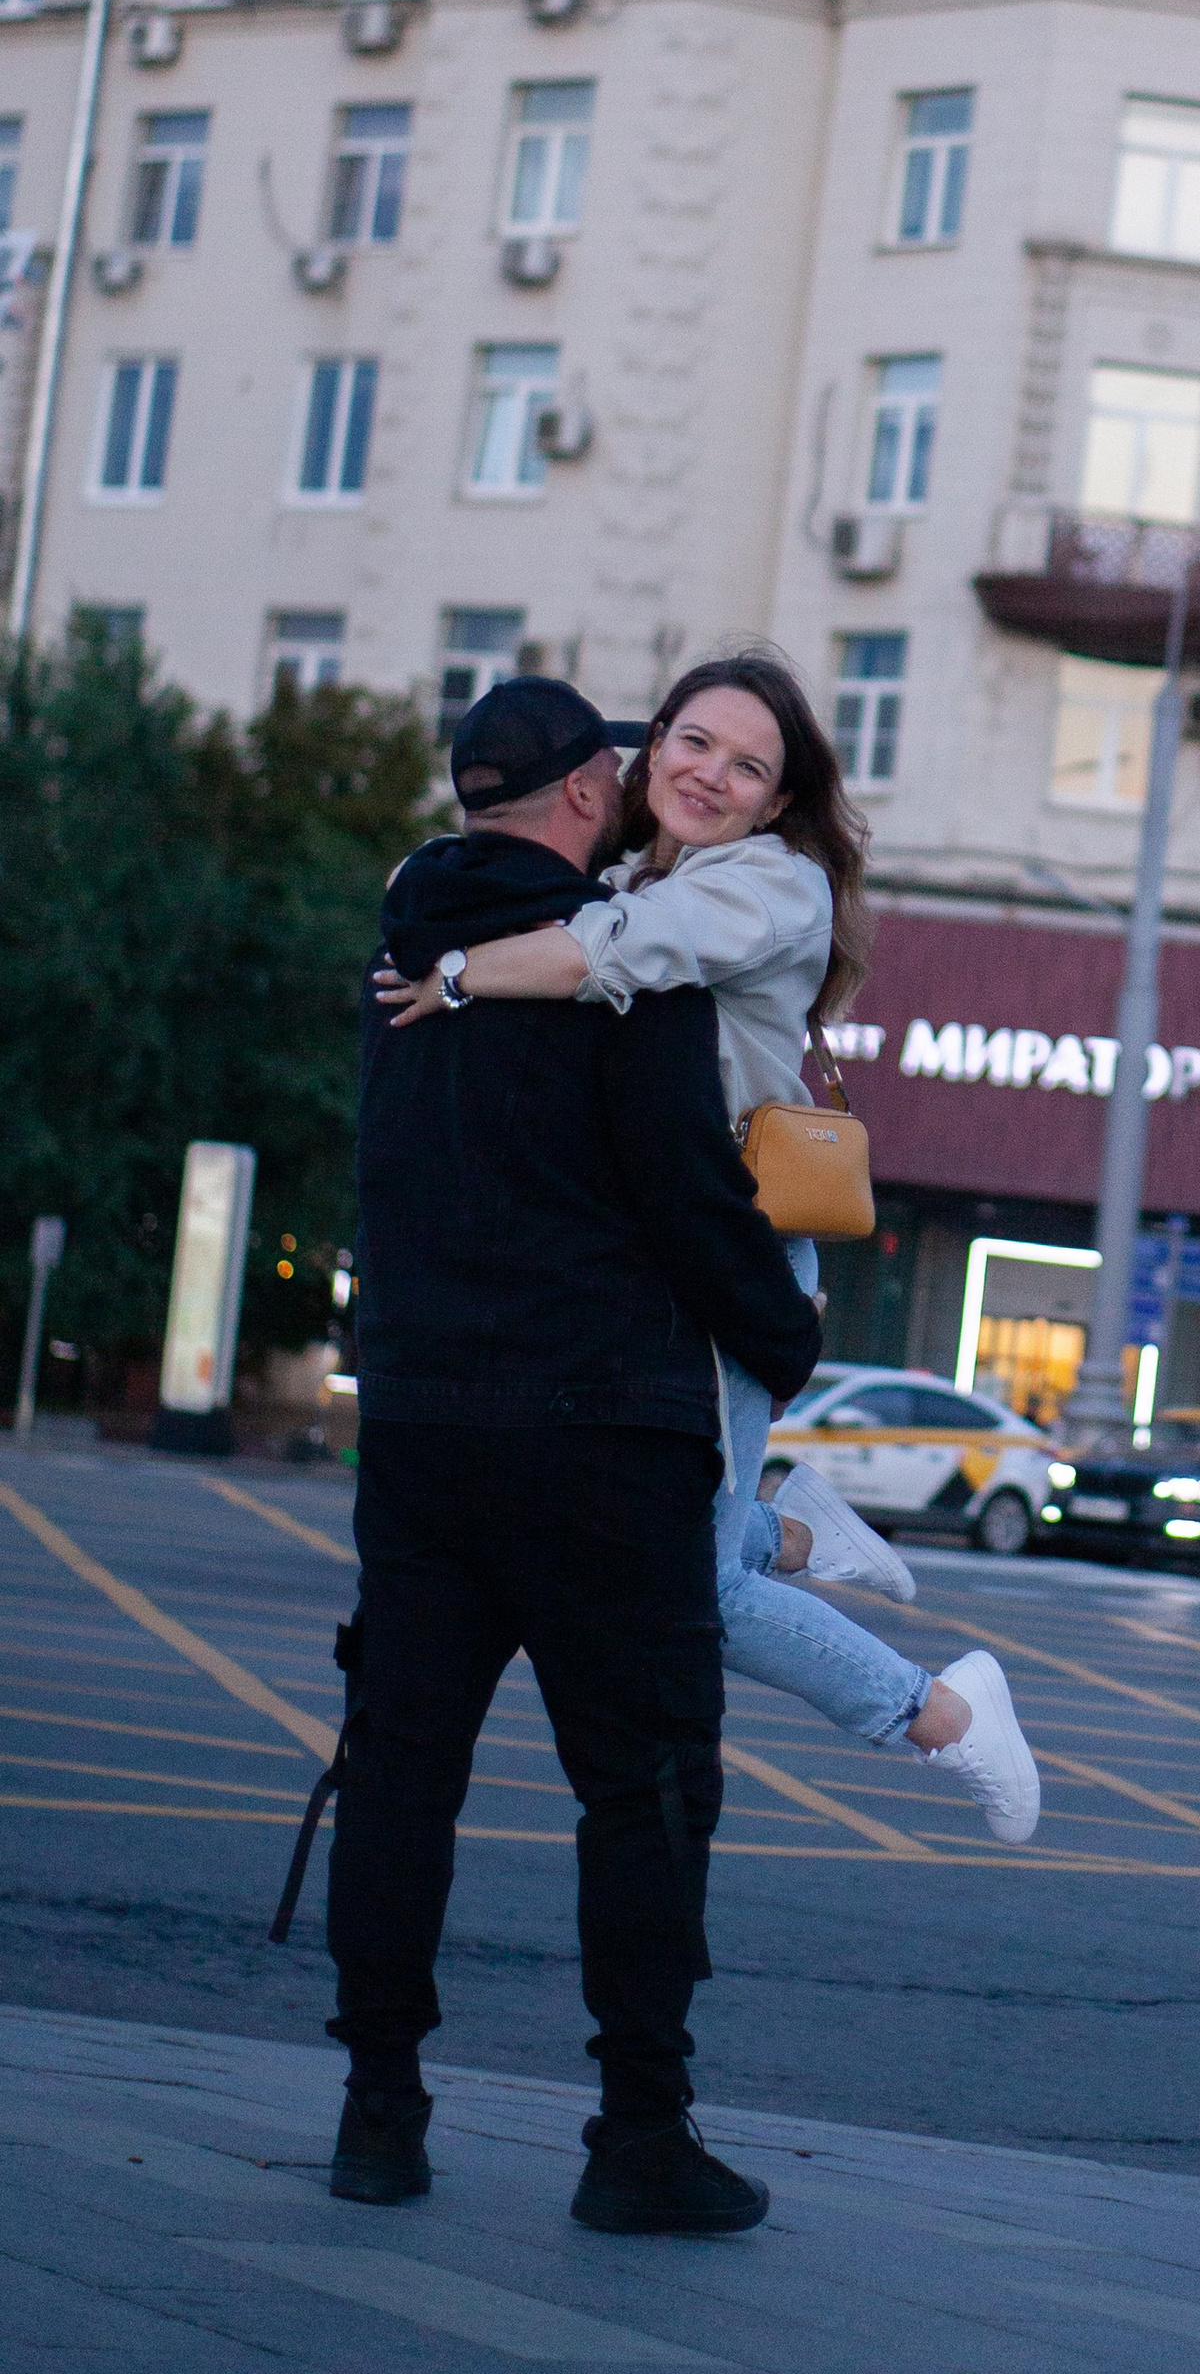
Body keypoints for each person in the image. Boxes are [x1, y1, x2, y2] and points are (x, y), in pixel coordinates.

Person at [376, 649, 1037, 1848]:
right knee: (627, 1507)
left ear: (780, 802)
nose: (712, 777)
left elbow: (602, 953)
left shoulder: (768, 886)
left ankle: (945, 1715)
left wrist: (458, 969)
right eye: (692, 743)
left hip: (734, 1249)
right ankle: (794, 1530)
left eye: (748, 766)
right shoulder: (635, 869)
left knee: (681, 1585)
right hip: (648, 1255)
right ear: (649, 747)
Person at [329, 677, 823, 2235]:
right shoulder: (628, 971)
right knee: (649, 1790)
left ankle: (379, 2113)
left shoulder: (405, 964)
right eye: (661, 754)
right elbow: (685, 1195)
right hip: (602, 1427)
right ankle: (639, 2138)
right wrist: (788, 1340)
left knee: (402, 1780)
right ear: (593, 786)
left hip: (416, 1424)